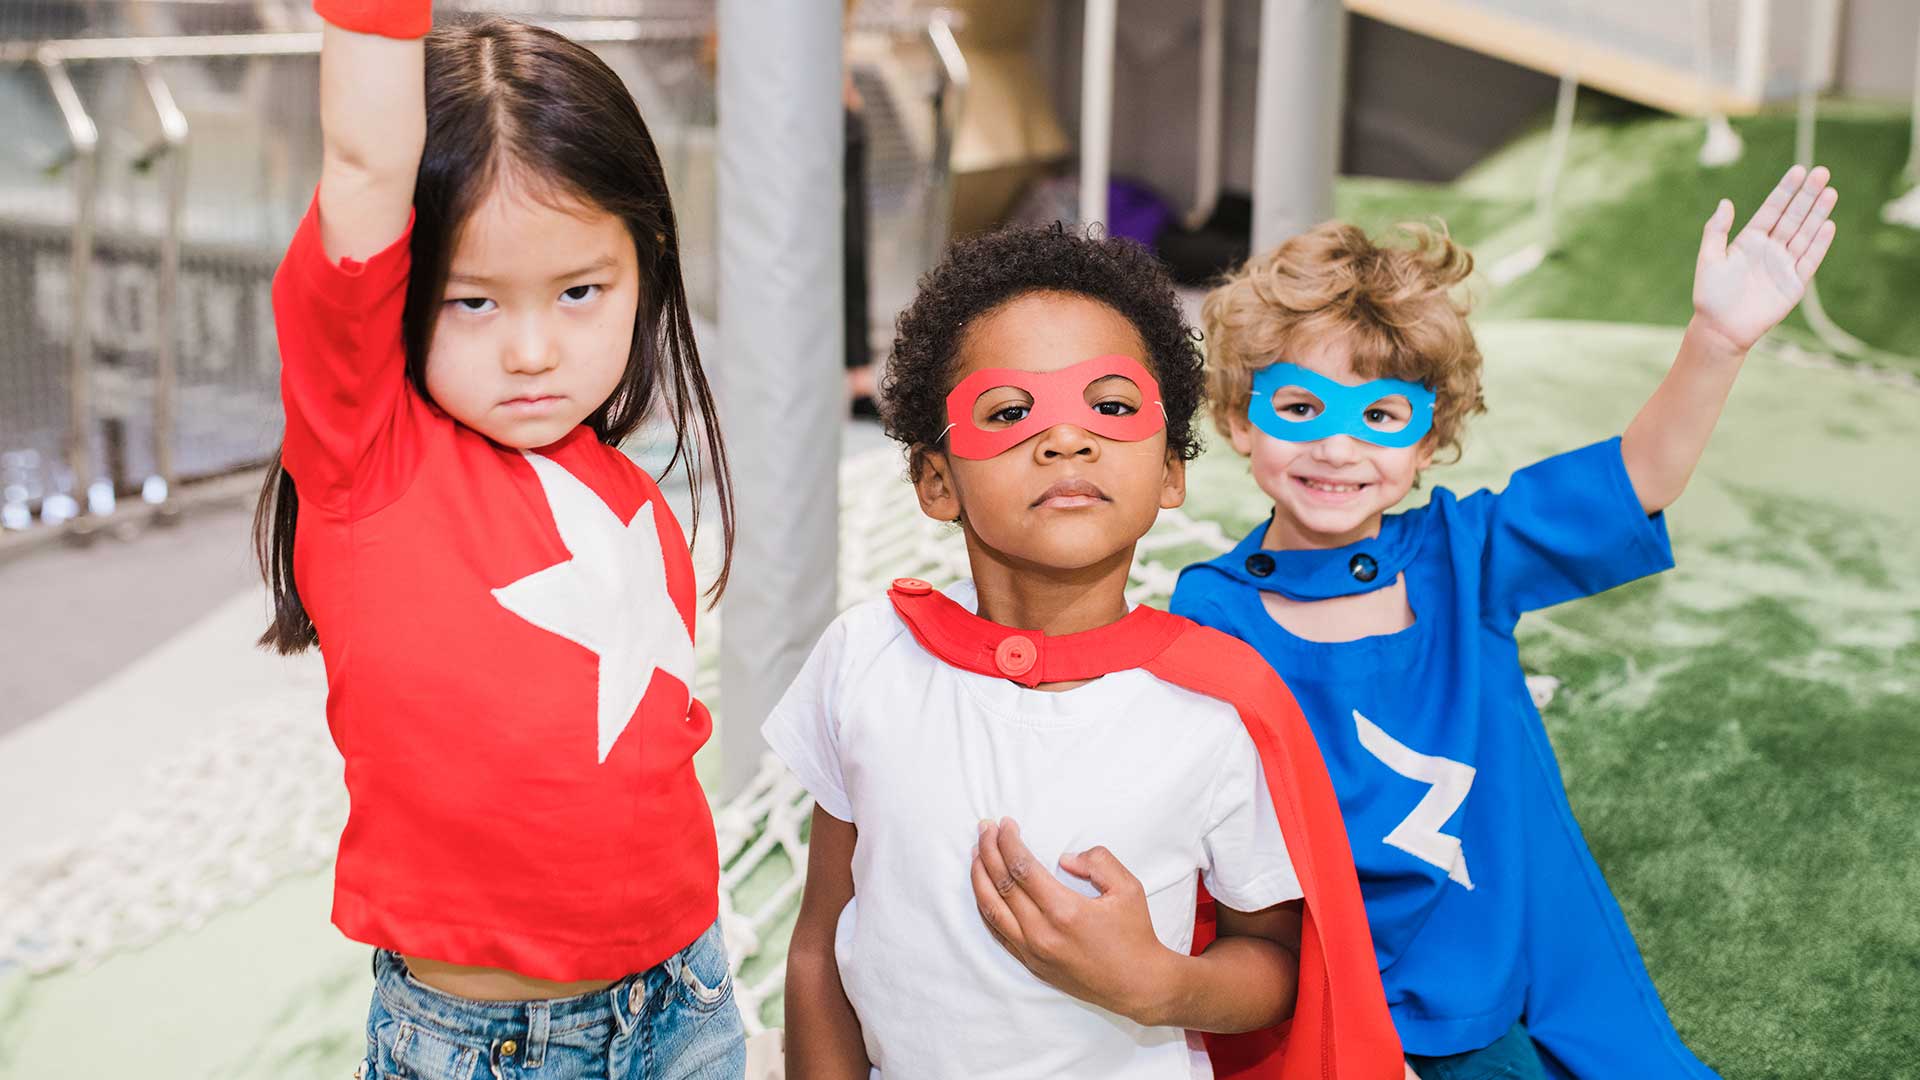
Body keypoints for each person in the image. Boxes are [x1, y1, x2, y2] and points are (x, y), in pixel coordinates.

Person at [1171, 166, 1839, 1079]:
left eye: (1381, 416)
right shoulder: (1211, 609)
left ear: (1427, 438)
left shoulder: (1464, 553)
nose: (1337, 446)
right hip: (1320, 980)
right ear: (1243, 421)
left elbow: (1634, 478)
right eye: (1299, 409)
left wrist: (1715, 342)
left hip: (1476, 980)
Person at [767, 225, 1401, 1079]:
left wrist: (1158, 985)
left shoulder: (1217, 706)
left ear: (1170, 471)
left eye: (1110, 406)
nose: (1067, 440)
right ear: (935, 481)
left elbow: (1276, 964)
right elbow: (819, 950)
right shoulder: (865, 659)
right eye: (1008, 412)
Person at [251, 2, 745, 1075]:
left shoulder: (625, 490)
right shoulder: (368, 455)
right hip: (485, 1042)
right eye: (473, 301)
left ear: (645, 267)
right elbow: (367, 162)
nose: (532, 351)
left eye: (580, 292)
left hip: (687, 995)